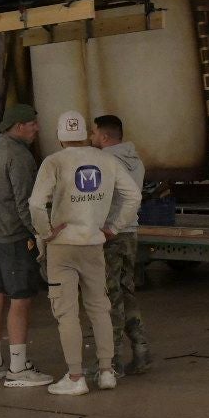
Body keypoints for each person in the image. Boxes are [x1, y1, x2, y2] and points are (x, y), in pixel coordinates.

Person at [28, 110, 140, 396]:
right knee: (100, 308)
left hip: (62, 247)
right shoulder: (106, 160)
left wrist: (45, 232)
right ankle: (106, 372)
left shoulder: (53, 162)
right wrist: (113, 227)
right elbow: (134, 196)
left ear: (59, 135)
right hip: (94, 244)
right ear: (85, 134)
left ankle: (76, 376)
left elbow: (36, 204)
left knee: (67, 314)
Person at [0, 103, 51, 387]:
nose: (36, 128)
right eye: (33, 123)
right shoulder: (19, 156)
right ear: (19, 125)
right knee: (20, 300)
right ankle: (18, 369)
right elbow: (26, 205)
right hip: (14, 239)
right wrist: (41, 234)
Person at [86, 114, 152, 376]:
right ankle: (141, 349)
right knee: (126, 291)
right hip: (130, 232)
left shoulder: (105, 161)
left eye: (93, 133)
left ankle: (111, 362)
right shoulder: (135, 159)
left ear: (103, 136)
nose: (91, 138)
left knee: (108, 297)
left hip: (110, 234)